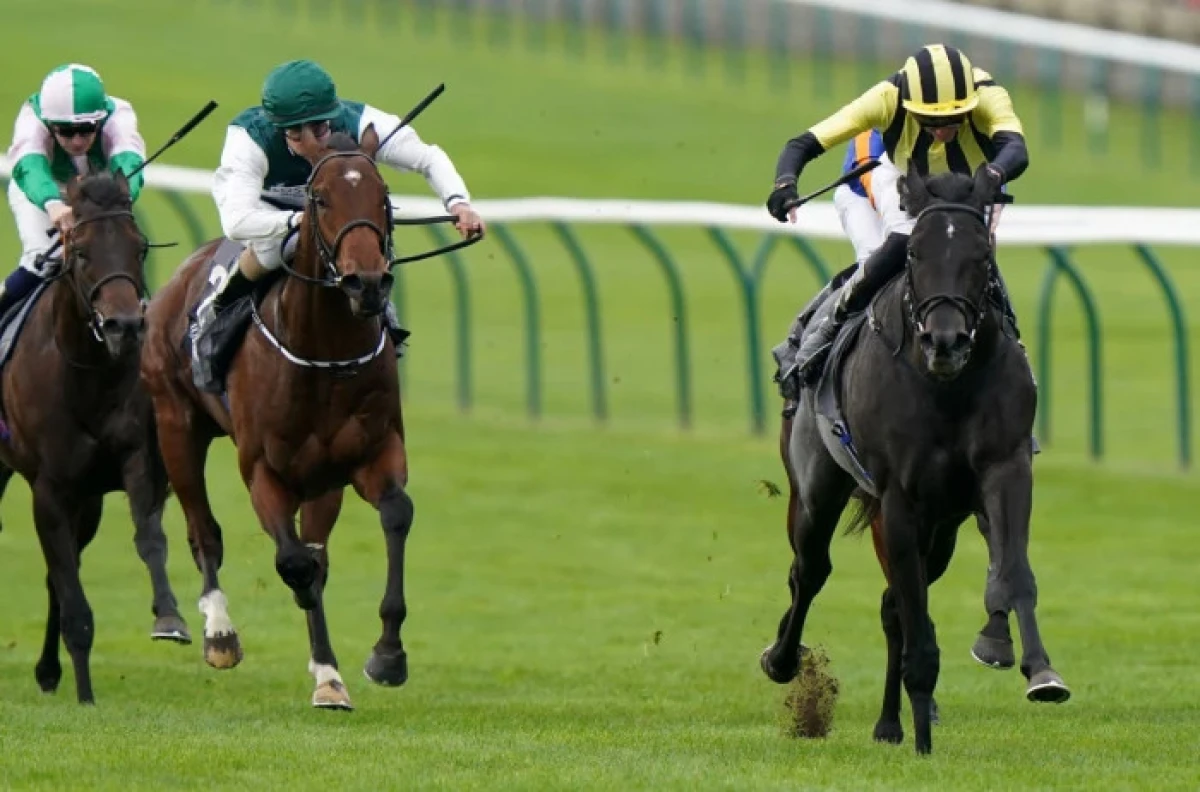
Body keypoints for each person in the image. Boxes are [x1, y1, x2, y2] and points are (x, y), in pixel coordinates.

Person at [192, 59, 485, 391]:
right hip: (268, 210)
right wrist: (301, 220)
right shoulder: (249, 140)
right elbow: (236, 222)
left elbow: (428, 157)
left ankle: (384, 316)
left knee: (365, 239)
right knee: (275, 249)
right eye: (295, 133)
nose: (313, 142)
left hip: (333, 205)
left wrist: (459, 203)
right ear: (280, 128)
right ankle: (215, 313)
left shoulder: (360, 122)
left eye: (320, 128)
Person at [767, 44, 1028, 387]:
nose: (941, 130)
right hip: (886, 177)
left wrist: (993, 175)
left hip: (960, 187)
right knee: (897, 249)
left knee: (972, 254)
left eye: (953, 119)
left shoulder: (989, 95)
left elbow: (1016, 150)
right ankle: (821, 330)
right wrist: (785, 182)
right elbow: (801, 144)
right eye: (930, 121)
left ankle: (1013, 345)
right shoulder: (886, 97)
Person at [2, 64, 146, 318]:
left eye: (88, 128)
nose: (78, 141)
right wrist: (53, 204)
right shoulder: (32, 120)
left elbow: (128, 165)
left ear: (100, 120)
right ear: (49, 123)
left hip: (99, 192)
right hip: (44, 189)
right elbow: (30, 169)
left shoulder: (119, 116)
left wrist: (118, 198)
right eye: (66, 132)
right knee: (47, 258)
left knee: (120, 250)